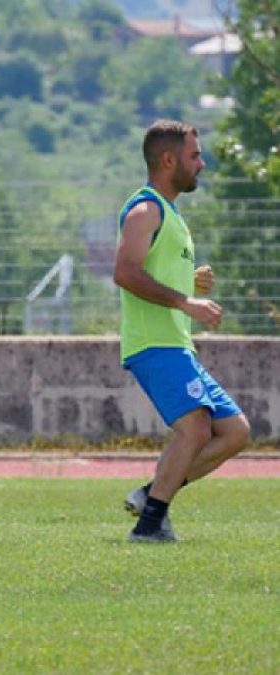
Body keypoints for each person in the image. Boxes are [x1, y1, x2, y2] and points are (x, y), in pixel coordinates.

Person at [113, 119, 250, 543]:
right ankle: (150, 524)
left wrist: (190, 280)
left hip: (178, 346)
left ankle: (153, 494)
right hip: (155, 345)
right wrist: (184, 301)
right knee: (195, 428)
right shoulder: (145, 209)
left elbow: (155, 270)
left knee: (235, 432)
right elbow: (124, 272)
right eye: (194, 156)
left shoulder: (170, 214)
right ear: (169, 159)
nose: (202, 164)